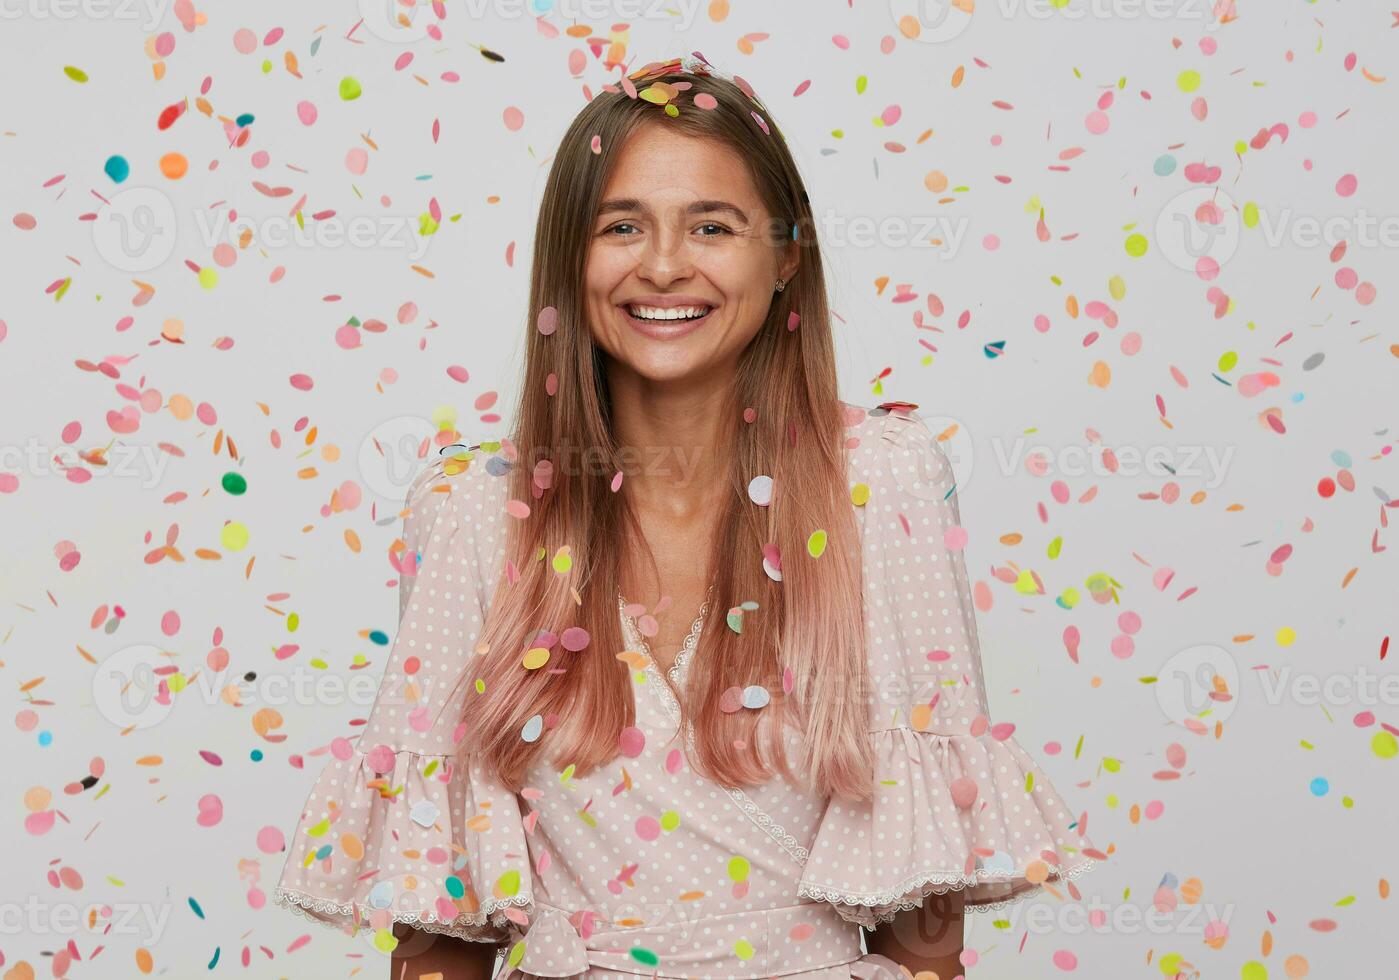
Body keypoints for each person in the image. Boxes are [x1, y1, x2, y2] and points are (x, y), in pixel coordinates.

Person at [273, 54, 1093, 980]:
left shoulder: (882, 485)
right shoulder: (475, 510)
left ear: (785, 256)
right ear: (568, 261)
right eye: (621, 226)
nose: (664, 265)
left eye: (713, 225)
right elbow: (441, 923)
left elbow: (922, 914)